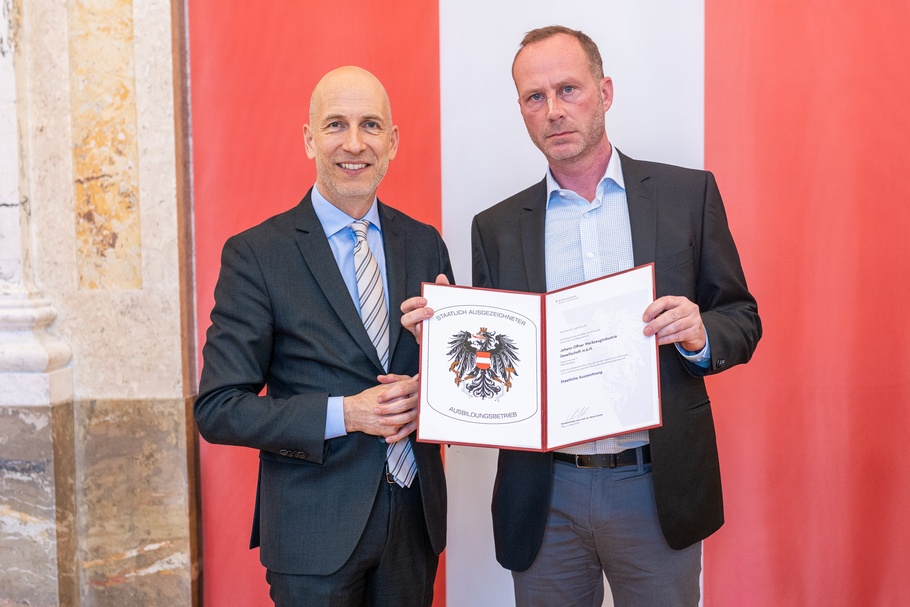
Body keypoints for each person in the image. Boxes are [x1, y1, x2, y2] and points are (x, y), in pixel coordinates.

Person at [402, 26, 761, 606]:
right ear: (520, 109)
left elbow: (741, 318)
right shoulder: (495, 227)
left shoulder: (684, 196)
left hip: (655, 484)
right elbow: (497, 377)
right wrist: (448, 339)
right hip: (545, 493)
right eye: (534, 97)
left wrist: (699, 334)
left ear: (605, 91)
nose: (553, 111)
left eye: (568, 89)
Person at [195, 66, 452, 607]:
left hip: (413, 526)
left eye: (371, 125)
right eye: (336, 125)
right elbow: (219, 409)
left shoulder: (425, 243)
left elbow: (454, 384)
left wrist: (437, 381)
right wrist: (347, 413)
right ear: (309, 138)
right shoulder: (257, 255)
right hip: (312, 536)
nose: (354, 144)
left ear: (394, 141)